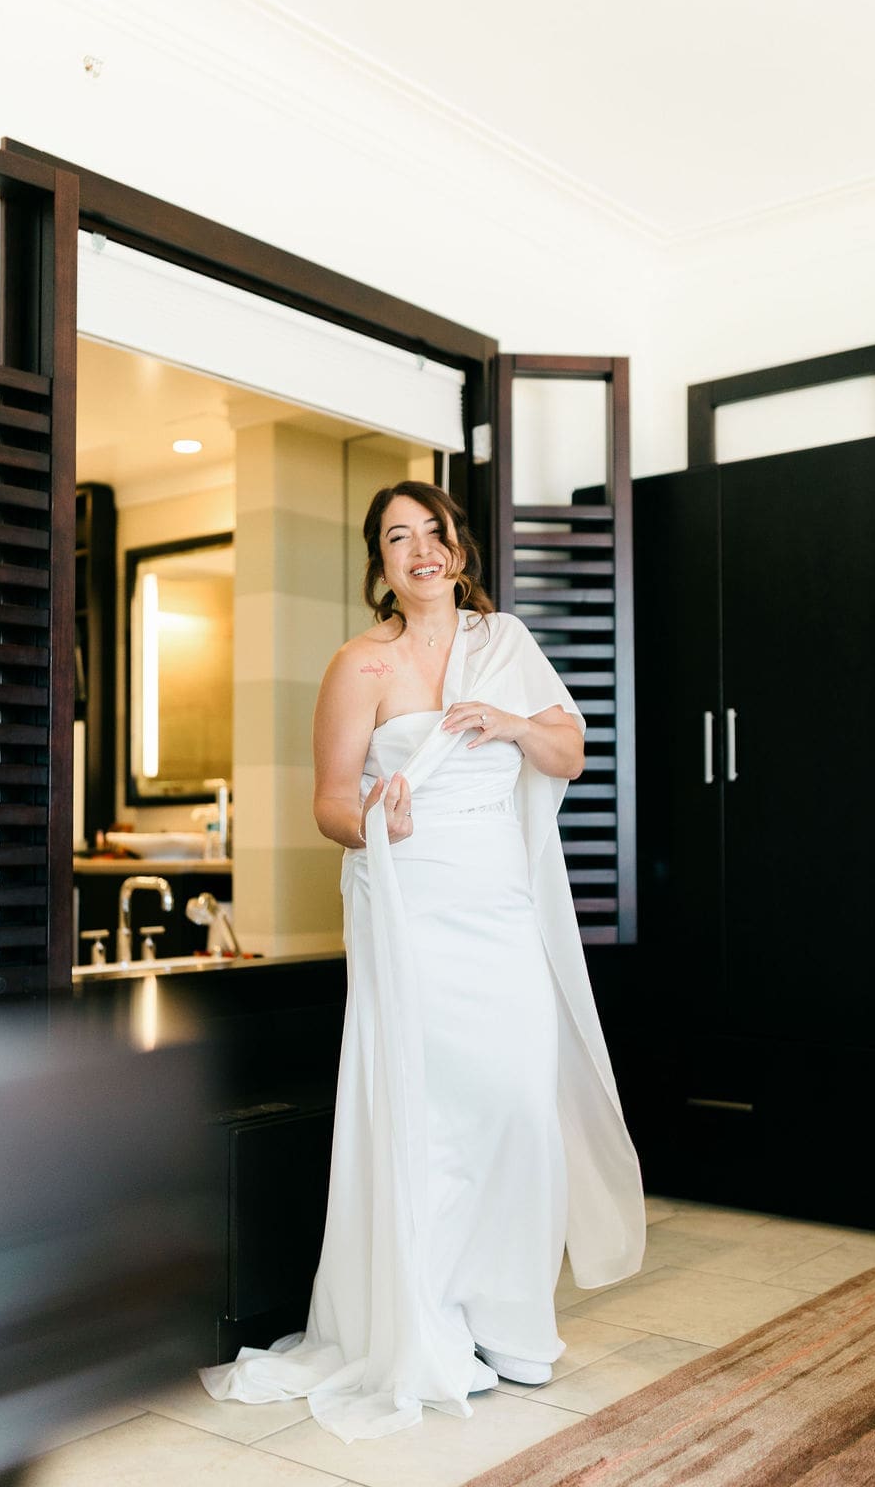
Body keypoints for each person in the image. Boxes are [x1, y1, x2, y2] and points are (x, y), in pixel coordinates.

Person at [200, 482, 645, 1441]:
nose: (422, 550)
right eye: (399, 537)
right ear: (382, 563)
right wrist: (373, 821)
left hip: (501, 909)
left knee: (520, 1104)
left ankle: (512, 1315)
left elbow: (567, 751)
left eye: (434, 532)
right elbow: (327, 800)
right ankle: (432, 1319)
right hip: (412, 908)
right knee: (429, 1110)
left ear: (460, 548)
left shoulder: (507, 645)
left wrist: (512, 724)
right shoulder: (359, 666)